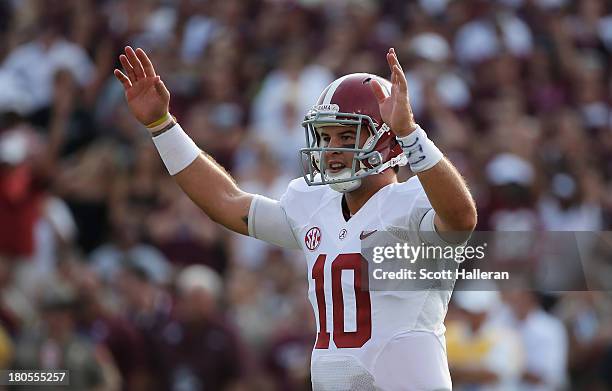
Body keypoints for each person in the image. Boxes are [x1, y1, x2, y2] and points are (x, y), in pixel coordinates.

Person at [114, 46, 477, 390]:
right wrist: (162, 126)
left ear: (388, 140)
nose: (331, 150)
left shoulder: (412, 202)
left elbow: (461, 218)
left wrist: (411, 134)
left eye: (346, 135)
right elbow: (226, 202)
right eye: (325, 136)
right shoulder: (313, 204)